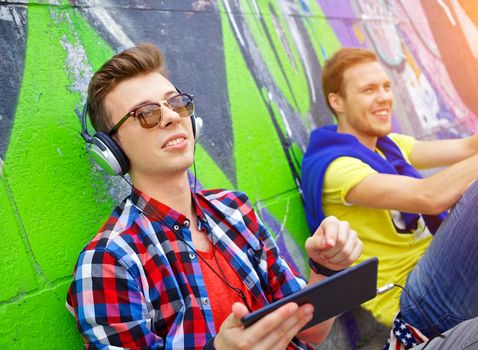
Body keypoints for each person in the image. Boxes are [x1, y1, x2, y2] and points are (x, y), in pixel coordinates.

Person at [66, 43, 363, 350]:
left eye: (176, 103)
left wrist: (326, 269)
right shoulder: (109, 261)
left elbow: (310, 333)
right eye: (147, 113)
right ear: (110, 151)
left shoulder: (235, 209)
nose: (171, 117)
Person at [301, 47, 478, 349]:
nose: (384, 97)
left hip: (442, 275)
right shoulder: (336, 167)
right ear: (337, 101)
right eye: (369, 89)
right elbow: (431, 196)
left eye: (386, 86)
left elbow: (466, 148)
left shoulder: (389, 145)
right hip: (413, 304)